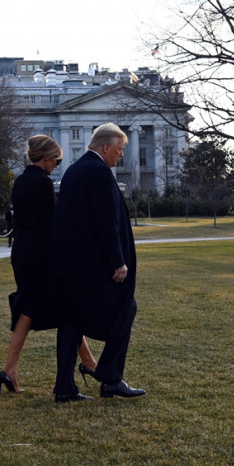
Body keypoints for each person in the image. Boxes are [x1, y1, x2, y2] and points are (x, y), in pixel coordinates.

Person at [51, 123, 145, 402]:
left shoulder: (73, 171)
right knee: (126, 308)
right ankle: (110, 377)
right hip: (93, 267)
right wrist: (117, 261)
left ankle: (65, 388)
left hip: (70, 266)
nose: (121, 156)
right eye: (119, 149)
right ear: (105, 147)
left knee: (71, 321)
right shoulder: (99, 172)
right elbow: (105, 222)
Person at [0, 135, 98, 393]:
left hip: (21, 252)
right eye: (57, 159)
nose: (58, 164)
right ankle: (88, 364)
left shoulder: (20, 181)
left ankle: (89, 363)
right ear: (45, 158)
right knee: (46, 309)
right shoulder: (43, 184)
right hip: (40, 256)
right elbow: (49, 225)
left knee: (34, 310)